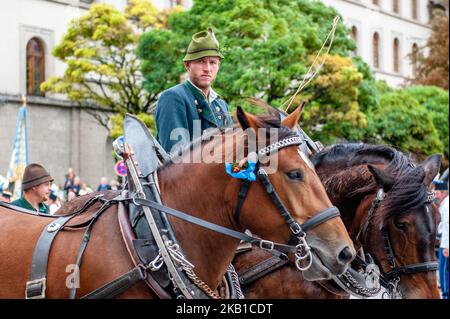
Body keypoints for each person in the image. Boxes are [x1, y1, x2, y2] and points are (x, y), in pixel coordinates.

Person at [155, 28, 233, 153]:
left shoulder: (221, 104)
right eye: (201, 61)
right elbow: (177, 157)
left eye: (213, 62)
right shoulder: (173, 97)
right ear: (187, 65)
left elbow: (232, 152)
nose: (207, 68)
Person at [438, 184, 449, 299]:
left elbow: (447, 224)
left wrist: (446, 245)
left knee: (444, 272)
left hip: (446, 243)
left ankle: (446, 296)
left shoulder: (447, 204)